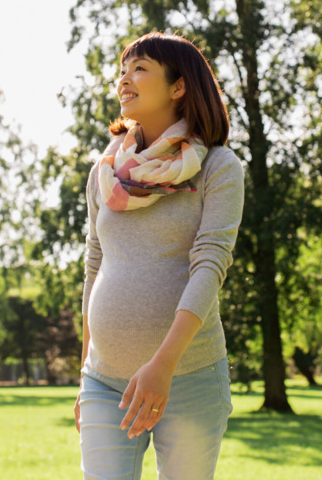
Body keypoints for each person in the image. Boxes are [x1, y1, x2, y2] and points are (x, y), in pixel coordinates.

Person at [74, 31, 244, 480]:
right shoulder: (105, 173)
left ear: (178, 85)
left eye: (140, 68)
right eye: (122, 71)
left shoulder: (217, 167)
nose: (124, 80)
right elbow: (95, 265)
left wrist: (162, 365)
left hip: (190, 377)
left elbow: (210, 264)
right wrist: (85, 370)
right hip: (103, 381)